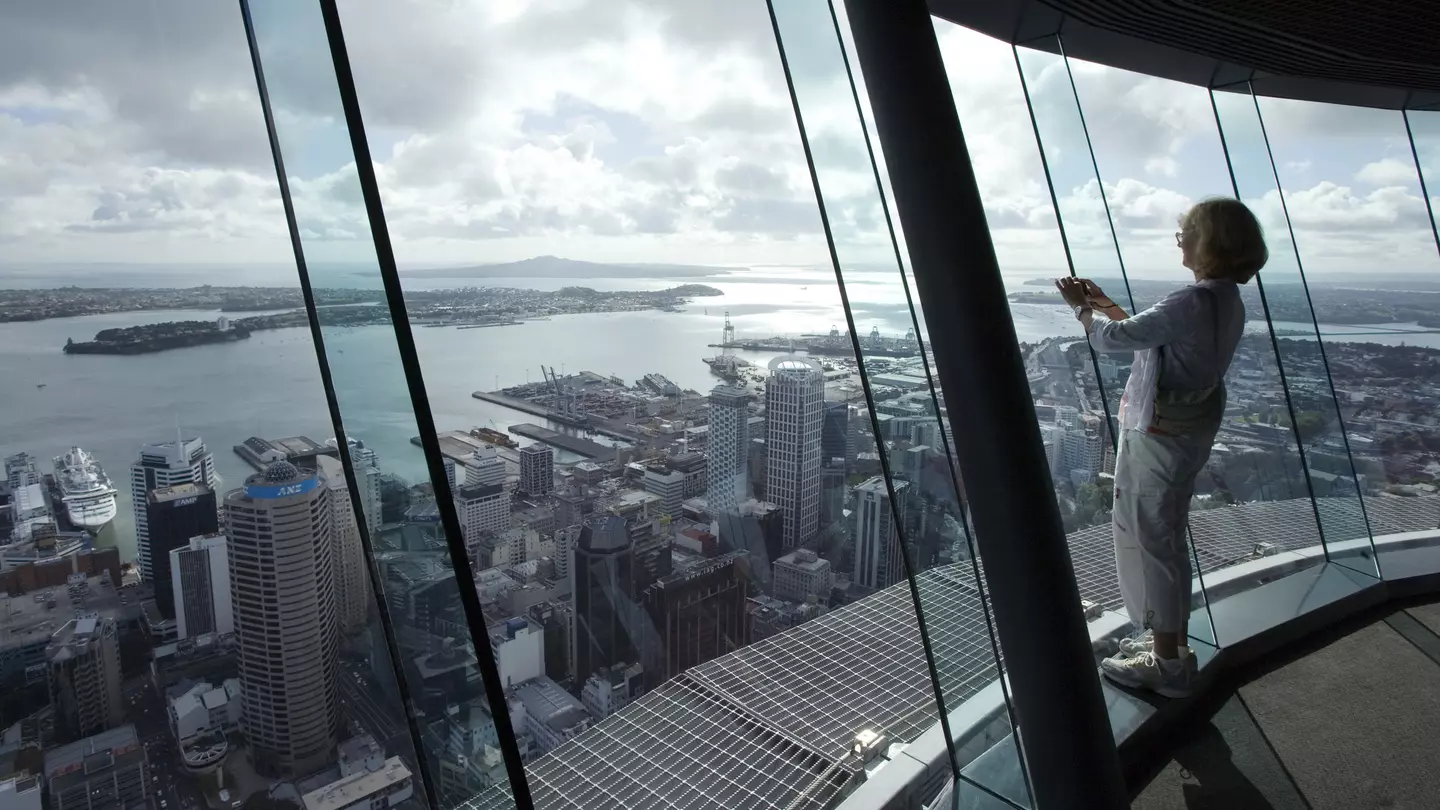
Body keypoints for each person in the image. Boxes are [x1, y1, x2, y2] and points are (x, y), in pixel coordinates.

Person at [1055, 197, 1268, 697]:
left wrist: (1083, 310)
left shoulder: (1192, 301)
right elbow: (1150, 337)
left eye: (1186, 233)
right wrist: (1104, 303)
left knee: (1155, 541)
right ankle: (1164, 642)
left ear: (1209, 243)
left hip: (1159, 438)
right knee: (1160, 536)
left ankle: (1168, 663)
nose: (1181, 242)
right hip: (1182, 433)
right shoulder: (1221, 301)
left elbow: (1115, 341)